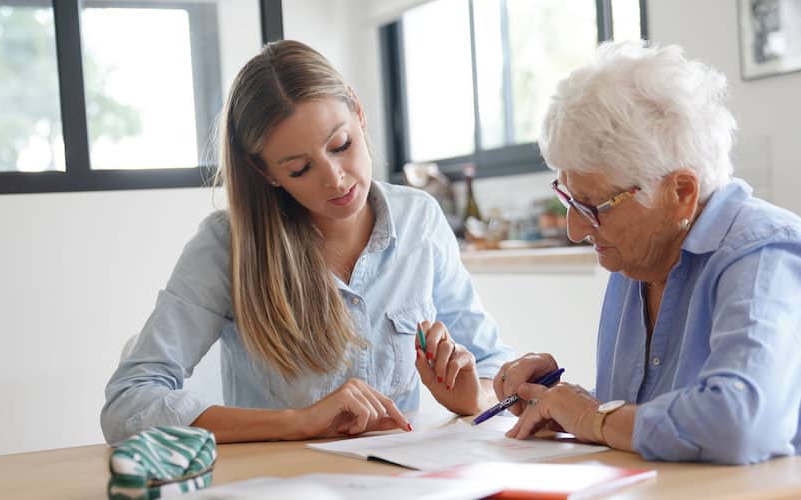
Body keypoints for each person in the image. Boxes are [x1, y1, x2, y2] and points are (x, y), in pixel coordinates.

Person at [494, 41, 801, 499]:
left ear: (681, 192)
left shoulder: (768, 250)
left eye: (594, 206)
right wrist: (564, 402)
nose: (576, 229)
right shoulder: (633, 260)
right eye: (569, 198)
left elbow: (739, 424)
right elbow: (654, 416)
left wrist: (594, 419)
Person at [101, 40, 512, 445]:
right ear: (265, 172)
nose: (335, 178)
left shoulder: (419, 219)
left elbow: (496, 362)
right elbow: (129, 401)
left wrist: (474, 396)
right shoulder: (227, 246)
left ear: (358, 111)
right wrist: (298, 423)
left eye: (341, 145)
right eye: (299, 169)